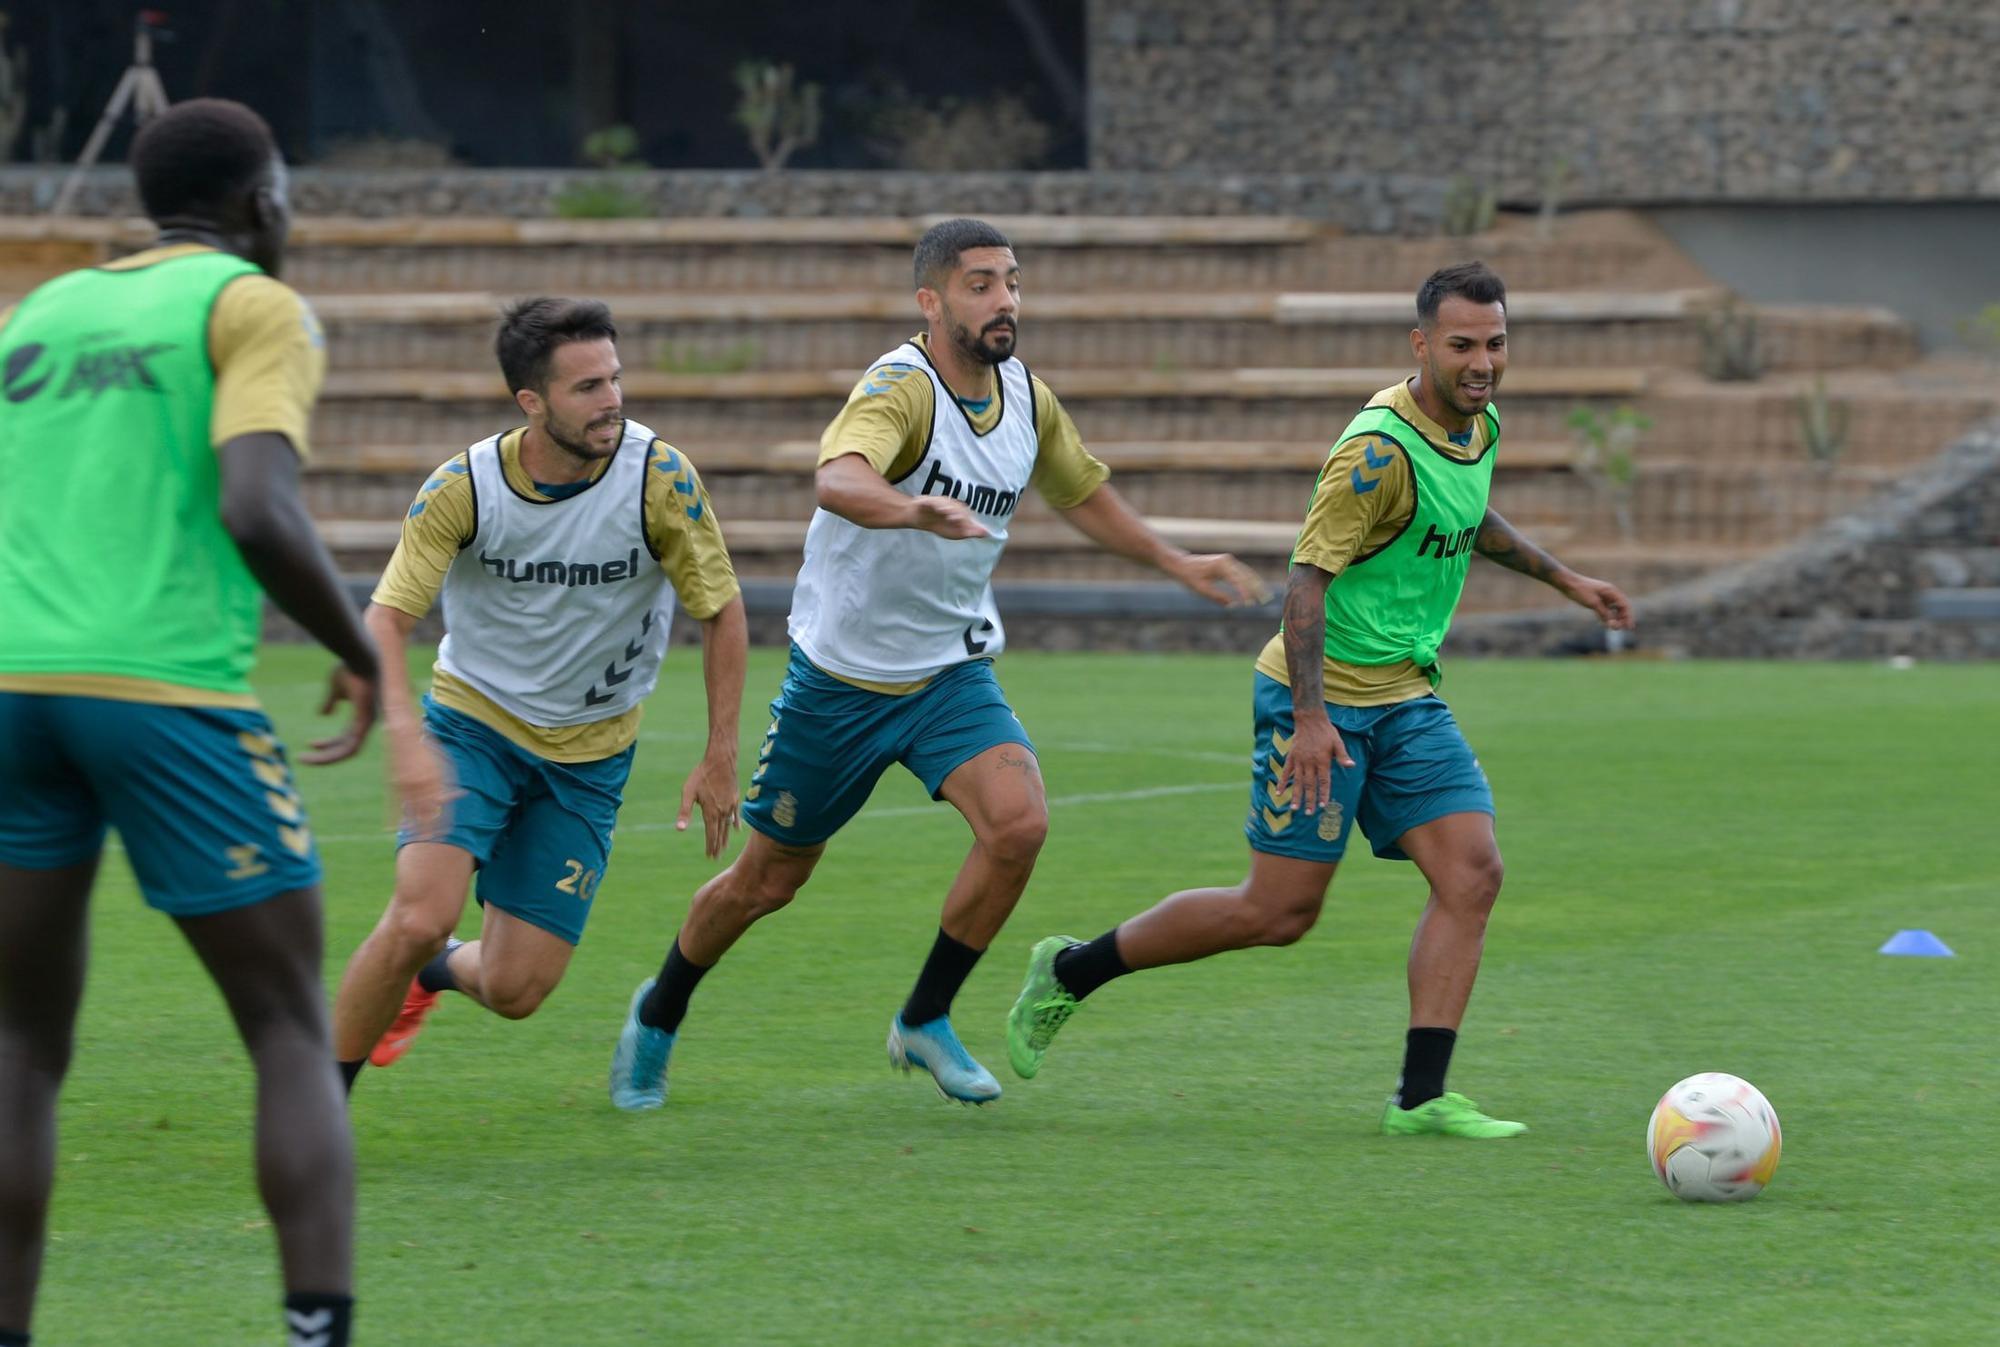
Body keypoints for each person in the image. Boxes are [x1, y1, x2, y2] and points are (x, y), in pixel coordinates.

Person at [609, 217, 1268, 1111]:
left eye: (1012, 281)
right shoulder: (901, 388)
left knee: (1019, 824)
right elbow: (837, 478)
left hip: (949, 674)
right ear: (932, 300)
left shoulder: (1027, 397)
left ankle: (926, 1016)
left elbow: (1082, 491)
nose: (1004, 301)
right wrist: (911, 509)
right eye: (980, 284)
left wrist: (1177, 562)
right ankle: (661, 1008)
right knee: (767, 881)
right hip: (838, 682)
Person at [1006, 260, 1635, 1137]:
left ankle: (1421, 1099)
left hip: (1406, 695)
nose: (1481, 360)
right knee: (1277, 912)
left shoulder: (1479, 423)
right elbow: (1304, 585)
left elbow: (1465, 514)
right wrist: (1308, 721)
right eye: (1461, 345)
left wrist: (1567, 578)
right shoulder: (1373, 454)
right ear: (1422, 345)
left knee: (1473, 871)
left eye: (1495, 342)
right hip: (1320, 701)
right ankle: (1071, 970)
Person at [0, 100, 373, 1347]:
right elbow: (257, 509)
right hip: (164, 697)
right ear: (262, 199)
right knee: (285, 1025)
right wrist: (360, 646)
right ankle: (318, 1330)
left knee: (18, 1044)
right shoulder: (251, 305)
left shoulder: (43, 311)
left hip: (11, 695)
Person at [332, 297, 746, 1094]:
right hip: (473, 725)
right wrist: (406, 740)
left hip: (590, 754)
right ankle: (320, 1108)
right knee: (419, 911)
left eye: (615, 379)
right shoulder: (464, 487)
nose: (612, 400)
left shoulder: (658, 478)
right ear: (532, 402)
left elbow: (721, 611)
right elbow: (385, 620)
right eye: (587, 387)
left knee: (518, 990)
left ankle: (435, 974)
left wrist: (719, 750)